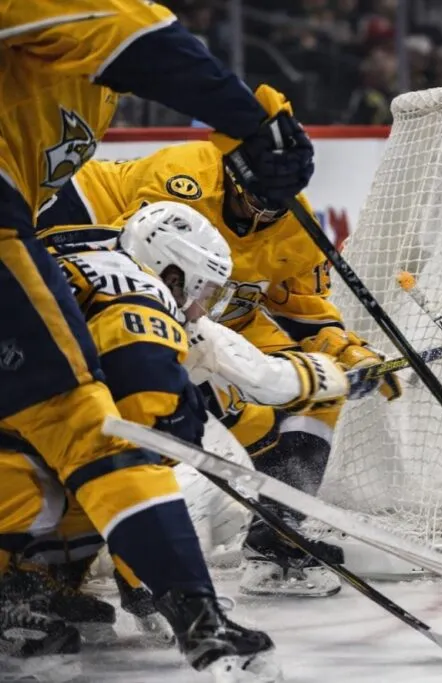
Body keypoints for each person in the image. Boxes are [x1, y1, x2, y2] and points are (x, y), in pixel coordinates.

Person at [0, 2, 313, 679]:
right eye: (196, 287)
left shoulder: (85, 95)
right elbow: (142, 39)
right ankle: (197, 618)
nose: (201, 305)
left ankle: (25, 587)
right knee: (92, 434)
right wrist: (255, 122)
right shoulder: (126, 288)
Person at [37, 84, 401, 598]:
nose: (262, 217)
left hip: (207, 311)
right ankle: (110, 569)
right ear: (232, 174)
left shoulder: (297, 228)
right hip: (128, 294)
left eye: (275, 206)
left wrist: (346, 353)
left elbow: (305, 315)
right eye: (254, 201)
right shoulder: (178, 181)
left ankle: (278, 537)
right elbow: (144, 283)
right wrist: (311, 374)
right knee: (137, 425)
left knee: (310, 403)